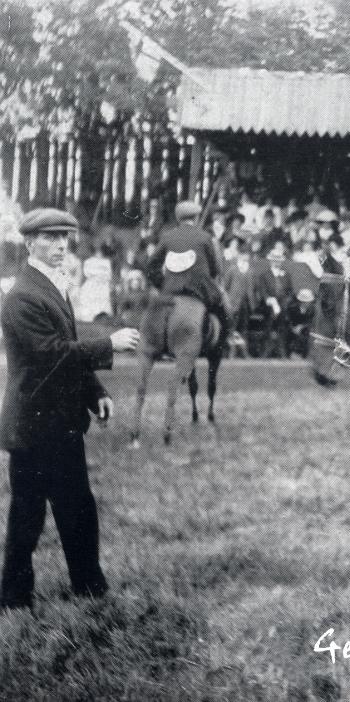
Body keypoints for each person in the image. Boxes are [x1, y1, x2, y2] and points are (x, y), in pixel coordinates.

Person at [0, 208, 140, 610]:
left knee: (71, 508)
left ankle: (80, 590)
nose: (60, 245)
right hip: (35, 424)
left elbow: (66, 344)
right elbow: (51, 356)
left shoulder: (50, 285)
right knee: (34, 516)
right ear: (30, 243)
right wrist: (108, 345)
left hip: (53, 423)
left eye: (64, 237)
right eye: (49, 238)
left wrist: (95, 391)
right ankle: (21, 598)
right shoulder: (25, 295)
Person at [147, 201, 231, 344]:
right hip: (199, 290)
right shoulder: (205, 238)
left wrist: (161, 283)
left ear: (178, 218)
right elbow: (215, 269)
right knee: (224, 310)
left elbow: (151, 265)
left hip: (172, 289)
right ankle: (224, 342)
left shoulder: (167, 237)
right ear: (196, 218)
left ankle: (155, 342)